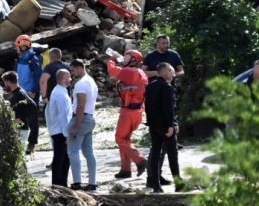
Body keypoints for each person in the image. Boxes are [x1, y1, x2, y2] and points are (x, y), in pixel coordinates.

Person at [107, 49, 148, 179]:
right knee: (125, 141)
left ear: (133, 59)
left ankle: (140, 160)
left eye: (126, 56)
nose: (123, 58)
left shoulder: (130, 72)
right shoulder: (140, 73)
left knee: (119, 139)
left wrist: (112, 59)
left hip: (128, 112)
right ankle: (125, 170)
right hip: (137, 112)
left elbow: (112, 70)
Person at [144, 62, 180, 193]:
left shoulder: (150, 86)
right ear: (164, 72)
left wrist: (152, 123)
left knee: (155, 154)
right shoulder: (167, 87)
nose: (173, 74)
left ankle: (156, 185)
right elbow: (169, 108)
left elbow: (147, 108)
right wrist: (171, 125)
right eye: (171, 71)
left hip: (153, 125)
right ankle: (178, 183)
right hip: (165, 126)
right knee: (172, 155)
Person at [66, 59, 98, 191]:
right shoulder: (91, 81)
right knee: (88, 152)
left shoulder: (80, 84)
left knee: (73, 151)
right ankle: (92, 182)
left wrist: (76, 127)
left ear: (79, 68)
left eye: (72, 71)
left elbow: (80, 106)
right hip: (90, 118)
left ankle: (77, 182)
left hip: (81, 119)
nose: (72, 74)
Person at [13, 34, 43, 154]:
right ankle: (21, 142)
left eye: (18, 46)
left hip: (31, 94)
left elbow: (38, 77)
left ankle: (32, 143)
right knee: (20, 118)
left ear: (23, 47)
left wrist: (34, 91)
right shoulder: (18, 59)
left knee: (33, 120)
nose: (16, 48)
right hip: (20, 93)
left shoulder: (33, 60)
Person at [48, 69, 73, 187]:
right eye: (68, 77)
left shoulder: (61, 91)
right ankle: (58, 185)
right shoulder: (60, 93)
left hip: (59, 130)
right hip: (61, 131)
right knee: (60, 159)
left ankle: (62, 184)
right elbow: (63, 116)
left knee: (65, 159)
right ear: (64, 78)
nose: (70, 79)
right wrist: (67, 135)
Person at [2, 70, 38, 146]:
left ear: (8, 82)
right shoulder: (18, 93)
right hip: (19, 130)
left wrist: (22, 120)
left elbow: (33, 107)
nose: (4, 85)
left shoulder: (20, 95)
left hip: (21, 131)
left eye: (5, 82)